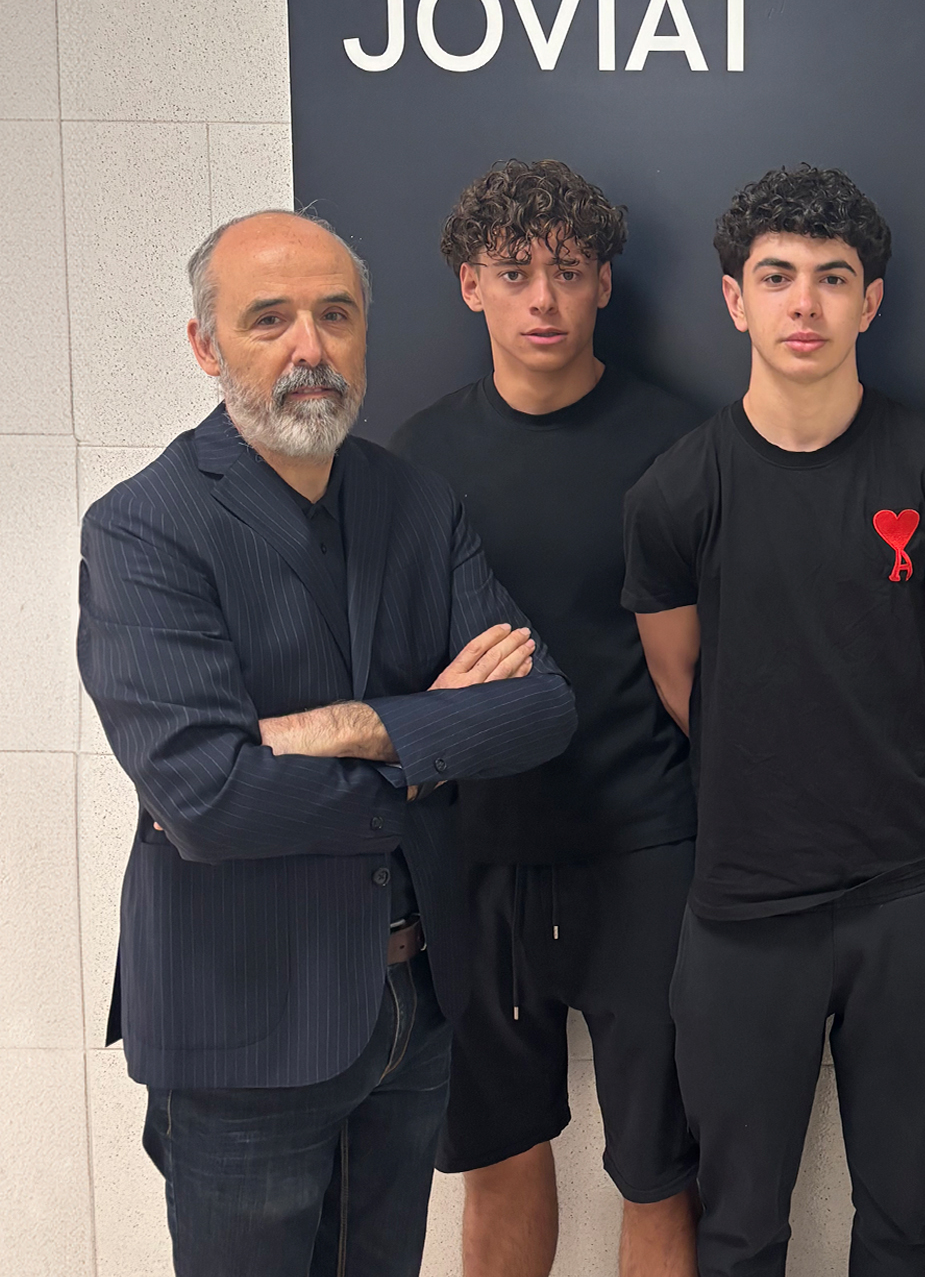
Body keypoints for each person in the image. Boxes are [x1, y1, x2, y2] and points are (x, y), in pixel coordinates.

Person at [77, 210, 577, 1276]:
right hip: (243, 1021)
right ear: (206, 346)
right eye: (270, 319)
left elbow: (542, 708)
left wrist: (359, 726)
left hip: (412, 1005)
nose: (310, 347)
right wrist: (432, 751)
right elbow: (209, 803)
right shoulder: (144, 528)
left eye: (335, 316)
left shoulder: (416, 503)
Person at [622, 165, 925, 1277]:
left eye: (833, 278)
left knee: (903, 1220)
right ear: (735, 299)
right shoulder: (674, 495)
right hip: (746, 912)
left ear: (870, 301)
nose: (806, 303)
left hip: (914, 898)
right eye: (777, 277)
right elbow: (684, 683)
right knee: (741, 1228)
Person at [390, 161, 705, 1277]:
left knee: (659, 1166)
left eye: (568, 272)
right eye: (515, 272)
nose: (543, 298)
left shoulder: (681, 445)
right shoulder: (416, 459)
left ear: (604, 284)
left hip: (644, 844)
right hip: (478, 850)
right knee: (499, 1155)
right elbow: (393, 666)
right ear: (469, 285)